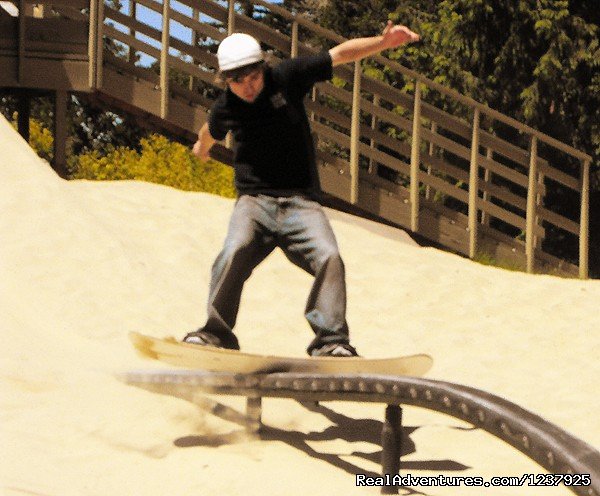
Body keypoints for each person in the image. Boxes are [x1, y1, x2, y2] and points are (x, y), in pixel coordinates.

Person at [185, 21, 420, 357]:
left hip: (301, 202)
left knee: (330, 257)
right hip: (255, 202)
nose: (248, 87)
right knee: (234, 248)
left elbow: (339, 54)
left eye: (253, 77)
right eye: (238, 82)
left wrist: (383, 43)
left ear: (263, 68)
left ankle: (331, 342)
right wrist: (201, 147)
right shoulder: (226, 106)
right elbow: (211, 129)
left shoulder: (287, 77)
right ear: (226, 81)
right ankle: (216, 333)